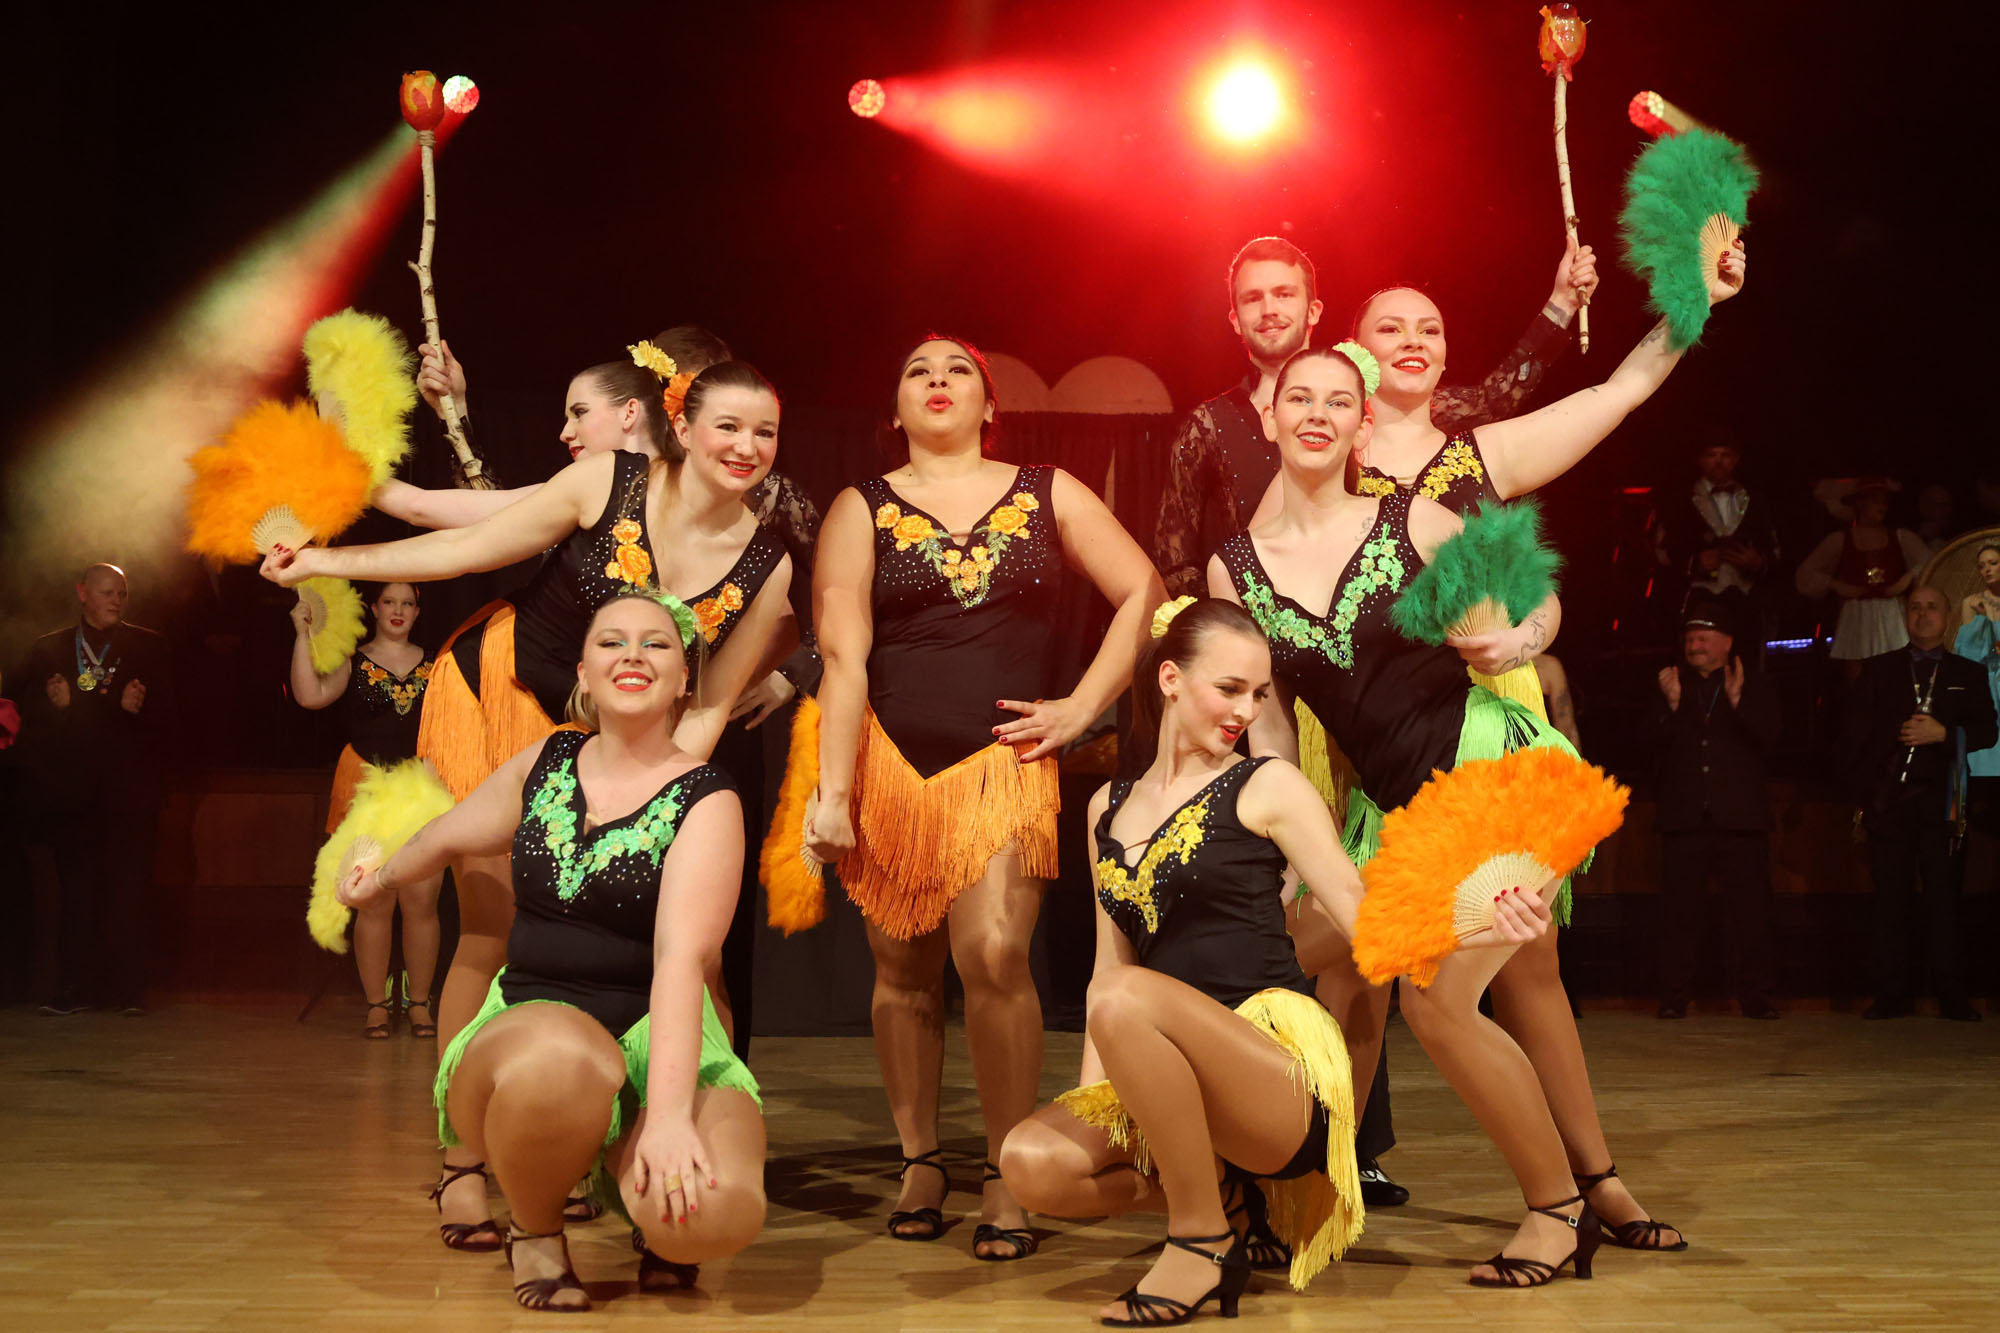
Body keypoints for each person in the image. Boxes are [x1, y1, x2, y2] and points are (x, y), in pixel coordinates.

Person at [263, 358, 792, 1249]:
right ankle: (463, 1164)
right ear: (681, 427)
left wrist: (657, 795)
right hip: (505, 697)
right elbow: (463, 549)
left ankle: (603, 1146)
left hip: (626, 735)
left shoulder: (767, 563)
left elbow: (705, 708)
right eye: (728, 426)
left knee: (689, 960)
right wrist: (321, 560)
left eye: (765, 431)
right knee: (494, 929)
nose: (745, 446)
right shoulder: (609, 480)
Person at [1214, 344, 1692, 1284]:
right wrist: (1293, 850)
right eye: (1299, 397)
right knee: (1276, 950)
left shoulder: (1413, 520)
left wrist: (1520, 637)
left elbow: (1537, 600)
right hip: (1405, 814)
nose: (1317, 413)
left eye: (1339, 401)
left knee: (1436, 1001)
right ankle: (1282, 1186)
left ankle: (1558, 1209)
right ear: (1268, 417)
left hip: (1501, 775)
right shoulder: (1235, 569)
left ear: (1361, 425)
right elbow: (1269, 731)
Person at [999, 598, 1551, 1319]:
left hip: (1277, 1075)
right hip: (1160, 1059)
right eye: (1229, 688)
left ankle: (1201, 1243)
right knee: (1030, 1163)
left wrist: (1480, 927)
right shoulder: (1107, 805)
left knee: (1123, 997)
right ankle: (1225, 1197)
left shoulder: (1267, 784)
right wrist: (1100, 1100)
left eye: (1259, 694)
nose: (1246, 711)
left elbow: (1361, 915)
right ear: (1170, 678)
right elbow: (1109, 964)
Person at [805, 335, 1162, 1260]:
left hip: (1003, 760)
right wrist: (834, 791)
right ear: (895, 409)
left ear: (989, 405)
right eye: (917, 371)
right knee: (903, 969)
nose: (937, 380)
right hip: (890, 767)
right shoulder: (860, 506)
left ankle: (1009, 1169)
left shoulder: (1048, 490)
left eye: (957, 369)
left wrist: (1082, 708)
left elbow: (1143, 590)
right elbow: (842, 655)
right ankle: (921, 1159)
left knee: (997, 954)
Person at [384, 328, 822, 1055]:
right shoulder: (611, 477)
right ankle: (476, 1111)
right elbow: (480, 523)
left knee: (691, 942)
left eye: (751, 421)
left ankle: (683, 1094)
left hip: (669, 731)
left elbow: (824, 603)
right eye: (692, 399)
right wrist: (433, 428)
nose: (732, 434)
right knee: (499, 926)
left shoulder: (763, 502)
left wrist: (785, 673)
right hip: (530, 696)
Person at [339, 592, 764, 1310]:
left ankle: (636, 1184)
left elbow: (681, 962)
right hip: (531, 1042)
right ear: (583, 672)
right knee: (566, 1056)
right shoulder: (549, 758)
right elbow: (447, 834)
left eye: (656, 643)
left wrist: (666, 1117)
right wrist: (373, 880)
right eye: (612, 642)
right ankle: (535, 1229)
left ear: (683, 679)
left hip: (655, 1035)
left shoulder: (708, 798)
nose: (633, 655)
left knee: (713, 1213)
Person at [1155, 234, 1595, 598]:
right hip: (1262, 632)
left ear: (1313, 310)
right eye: (1253, 299)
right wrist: (1225, 633)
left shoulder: (1376, 402)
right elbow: (1176, 561)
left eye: (1284, 294)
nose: (1269, 309)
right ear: (1235, 319)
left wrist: (1560, 303)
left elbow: (1491, 400)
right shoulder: (1207, 425)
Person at [15, 563, 177, 1016]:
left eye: (122, 594)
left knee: (128, 892)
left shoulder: (148, 647)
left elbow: (171, 725)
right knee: (76, 892)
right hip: (72, 794)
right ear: (82, 593)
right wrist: (58, 710)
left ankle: (126, 990)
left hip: (129, 795)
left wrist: (137, 712)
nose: (117, 601)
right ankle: (73, 988)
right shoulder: (49, 650)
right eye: (107, 593)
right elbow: (26, 726)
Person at [289, 581, 442, 1037]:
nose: (398, 610)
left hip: (421, 793)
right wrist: (301, 635)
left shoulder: (438, 664)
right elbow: (309, 696)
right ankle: (376, 1004)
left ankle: (419, 1003)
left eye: (407, 603)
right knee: (373, 900)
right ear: (374, 608)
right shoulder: (355, 661)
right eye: (390, 602)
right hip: (367, 793)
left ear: (417, 612)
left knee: (421, 901)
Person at [1845, 586, 1997, 1021]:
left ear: (1947, 616)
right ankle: (1890, 995)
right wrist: (1866, 794)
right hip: (1889, 805)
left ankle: (1951, 995)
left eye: (1933, 607)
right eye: (1915, 607)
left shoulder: (1968, 672)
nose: (1923, 614)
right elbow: (1854, 736)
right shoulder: (1878, 668)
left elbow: (1987, 731)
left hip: (1942, 806)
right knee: (1889, 903)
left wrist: (1944, 734)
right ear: (1905, 616)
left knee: (1944, 903)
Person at [1653, 595, 1780, 1020]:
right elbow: (1645, 747)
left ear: (1727, 642)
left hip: (1741, 819)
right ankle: (1673, 997)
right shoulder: (1670, 684)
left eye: (1704, 639)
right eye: (1690, 639)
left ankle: (1757, 998)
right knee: (1678, 914)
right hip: (1685, 819)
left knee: (1751, 914)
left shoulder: (1756, 684)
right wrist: (1671, 708)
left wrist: (1740, 704)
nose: (1695, 646)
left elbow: (1774, 743)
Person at [1795, 480, 1929, 675]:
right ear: (1860, 503)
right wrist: (1836, 585)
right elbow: (1806, 574)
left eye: (1884, 501)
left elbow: (1930, 564)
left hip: (1892, 614)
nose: (1882, 506)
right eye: (1875, 501)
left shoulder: (1900, 537)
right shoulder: (1841, 539)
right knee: (1858, 674)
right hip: (1857, 614)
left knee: (1895, 671)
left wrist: (1907, 579)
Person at [1654, 436, 1779, 636]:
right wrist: (1695, 563)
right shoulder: (1680, 501)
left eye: (1725, 455)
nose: (1719, 461)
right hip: (1697, 600)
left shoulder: (1756, 500)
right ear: (1700, 460)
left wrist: (1757, 562)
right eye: (1712, 455)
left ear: (1736, 459)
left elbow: (1775, 551)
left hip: (1746, 601)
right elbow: (1661, 554)